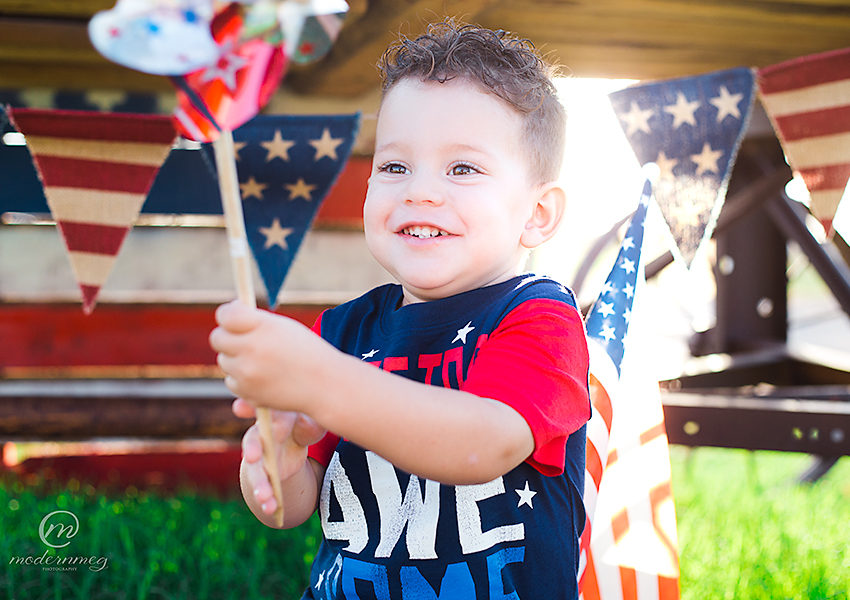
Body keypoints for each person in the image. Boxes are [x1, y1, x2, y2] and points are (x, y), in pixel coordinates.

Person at [210, 19, 590, 599]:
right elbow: (291, 509)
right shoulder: (342, 331)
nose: (420, 191)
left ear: (537, 214)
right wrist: (280, 460)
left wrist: (319, 381)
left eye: (462, 169)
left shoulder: (539, 318)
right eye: (394, 166)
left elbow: (480, 445)